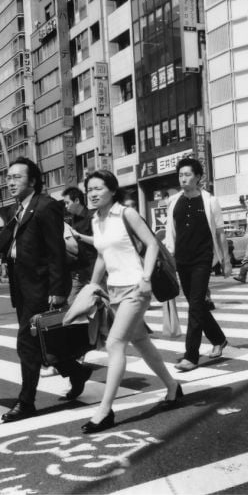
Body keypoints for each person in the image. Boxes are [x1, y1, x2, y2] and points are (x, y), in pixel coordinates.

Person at [82, 170, 181, 433]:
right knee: (141, 341)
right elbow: (103, 255)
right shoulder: (96, 220)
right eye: (89, 189)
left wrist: (146, 277)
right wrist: (93, 285)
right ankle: (172, 386)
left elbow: (151, 244)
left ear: (112, 190)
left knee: (114, 343)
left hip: (136, 288)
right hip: (114, 290)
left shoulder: (126, 213)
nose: (92, 193)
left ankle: (104, 411)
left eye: (98, 188)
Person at [0, 157, 92, 423]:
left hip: (41, 288)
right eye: (9, 177)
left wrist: (58, 289)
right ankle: (76, 371)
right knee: (43, 342)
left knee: (26, 344)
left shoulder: (45, 206)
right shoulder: (21, 208)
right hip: (23, 288)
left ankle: (26, 402)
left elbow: (55, 252)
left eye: (17, 177)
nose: (10, 182)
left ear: (34, 180)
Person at [163, 158, 231, 372]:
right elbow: (170, 233)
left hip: (203, 259)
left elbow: (220, 233)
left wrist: (226, 261)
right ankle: (219, 339)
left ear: (198, 177)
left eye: (187, 174)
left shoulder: (210, 201)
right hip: (182, 259)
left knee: (195, 305)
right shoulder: (174, 202)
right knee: (197, 304)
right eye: (180, 175)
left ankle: (191, 356)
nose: (183, 178)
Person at [61, 186, 97, 305]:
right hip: (78, 272)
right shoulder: (72, 219)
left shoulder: (92, 217)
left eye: (67, 203)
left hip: (95, 270)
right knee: (71, 304)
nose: (66, 206)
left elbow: (99, 241)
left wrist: (79, 236)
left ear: (77, 201)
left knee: (103, 305)